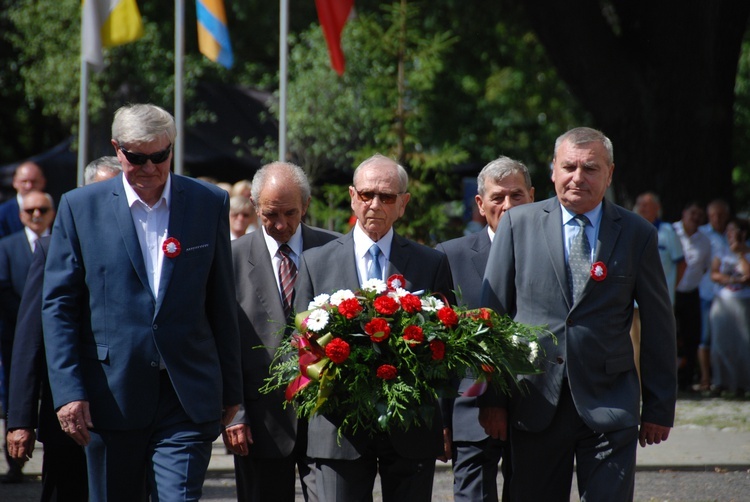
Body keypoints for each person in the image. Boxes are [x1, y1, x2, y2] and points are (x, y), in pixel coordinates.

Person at [41, 103, 243, 501]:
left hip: (186, 396)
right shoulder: (80, 208)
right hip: (109, 396)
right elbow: (59, 307)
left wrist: (231, 391)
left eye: (160, 155)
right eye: (137, 157)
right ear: (118, 150)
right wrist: (68, 391)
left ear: (172, 147)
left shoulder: (208, 203)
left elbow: (221, 300)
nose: (150, 167)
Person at [481, 127, 677, 501]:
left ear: (609, 174)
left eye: (590, 168)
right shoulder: (517, 224)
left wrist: (659, 406)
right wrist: (492, 401)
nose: (578, 177)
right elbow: (492, 317)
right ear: (552, 170)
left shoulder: (637, 233)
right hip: (534, 401)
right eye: (568, 166)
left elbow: (658, 323)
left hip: (610, 403)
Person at [294, 154, 454, 501]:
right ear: (353, 196)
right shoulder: (315, 262)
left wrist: (444, 418)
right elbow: (299, 347)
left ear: (403, 204)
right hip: (340, 429)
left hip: (409, 427)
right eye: (366, 195)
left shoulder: (431, 263)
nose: (375, 204)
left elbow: (446, 350)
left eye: (387, 197)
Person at [6, 158, 120, 501]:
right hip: (67, 418)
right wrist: (20, 420)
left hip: (127, 416)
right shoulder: (52, 247)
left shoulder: (148, 249)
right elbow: (30, 340)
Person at [224, 162, 339, 502]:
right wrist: (234, 413)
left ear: (305, 205)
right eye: (271, 214)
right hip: (259, 424)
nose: (281, 224)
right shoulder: (231, 260)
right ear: (254, 206)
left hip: (327, 419)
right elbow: (224, 345)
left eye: (291, 213)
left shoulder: (335, 251)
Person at [435, 156, 534, 502]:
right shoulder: (448, 257)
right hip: (470, 413)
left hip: (536, 411)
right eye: (498, 197)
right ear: (480, 203)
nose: (508, 205)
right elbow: (439, 348)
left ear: (532, 197)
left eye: (517, 195)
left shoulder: (552, 254)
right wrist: (441, 420)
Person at [0, 190, 55, 484]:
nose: (36, 215)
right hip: (17, 336)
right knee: (17, 392)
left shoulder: (62, 244)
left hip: (57, 340)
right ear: (21, 214)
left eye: (42, 210)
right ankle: (15, 464)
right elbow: (3, 287)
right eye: (30, 210)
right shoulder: (7, 247)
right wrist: (28, 317)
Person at [631, 191, 684, 375]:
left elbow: (681, 263)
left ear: (657, 208)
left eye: (646, 204)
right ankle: (636, 386)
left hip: (660, 300)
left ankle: (660, 383)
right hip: (632, 300)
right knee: (633, 344)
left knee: (658, 343)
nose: (642, 208)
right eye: (640, 204)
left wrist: (670, 288)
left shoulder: (668, 231)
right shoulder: (630, 229)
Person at [708, 218, 750, 398]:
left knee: (743, 344)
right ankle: (720, 382)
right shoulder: (721, 250)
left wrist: (740, 254)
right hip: (722, 300)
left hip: (743, 301)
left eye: (734, 230)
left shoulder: (747, 251)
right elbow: (714, 274)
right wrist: (732, 279)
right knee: (719, 343)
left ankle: (743, 383)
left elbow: (748, 276)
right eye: (729, 230)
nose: (730, 234)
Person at [673, 202, 712, 391]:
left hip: (691, 294)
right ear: (684, 213)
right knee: (670, 337)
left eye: (700, 215)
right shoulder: (671, 232)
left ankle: (687, 379)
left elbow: (705, 267)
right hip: (670, 293)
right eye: (692, 213)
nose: (696, 218)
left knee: (691, 337)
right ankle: (670, 379)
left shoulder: (704, 241)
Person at [698, 199, 731, 394]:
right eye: (713, 215)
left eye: (720, 215)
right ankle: (705, 377)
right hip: (707, 293)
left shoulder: (733, 234)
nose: (717, 219)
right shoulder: (702, 234)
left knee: (726, 338)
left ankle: (725, 377)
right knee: (706, 337)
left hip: (730, 296)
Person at [0, 161, 46, 239]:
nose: (29, 186)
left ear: (43, 182)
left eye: (34, 181)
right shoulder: (3, 213)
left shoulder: (53, 208)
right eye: (24, 182)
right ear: (15, 182)